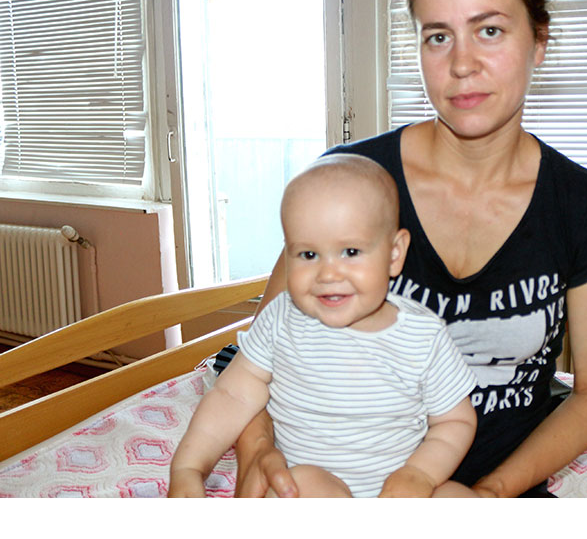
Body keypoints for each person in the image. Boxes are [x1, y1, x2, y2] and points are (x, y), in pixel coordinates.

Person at [234, 0, 587, 498]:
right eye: (437, 37)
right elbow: (260, 356)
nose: (462, 64)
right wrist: (258, 452)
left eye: (490, 30)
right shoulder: (352, 182)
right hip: (337, 479)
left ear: (539, 41)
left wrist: (493, 493)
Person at [169, 154, 477, 497]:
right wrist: (188, 467)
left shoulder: (423, 335)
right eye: (308, 255)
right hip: (309, 491)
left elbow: (455, 421)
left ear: (394, 254)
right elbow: (231, 395)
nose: (328, 274)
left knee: (459, 498)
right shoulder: (280, 321)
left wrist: (420, 474)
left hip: (399, 492)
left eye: (350, 251)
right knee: (299, 484)